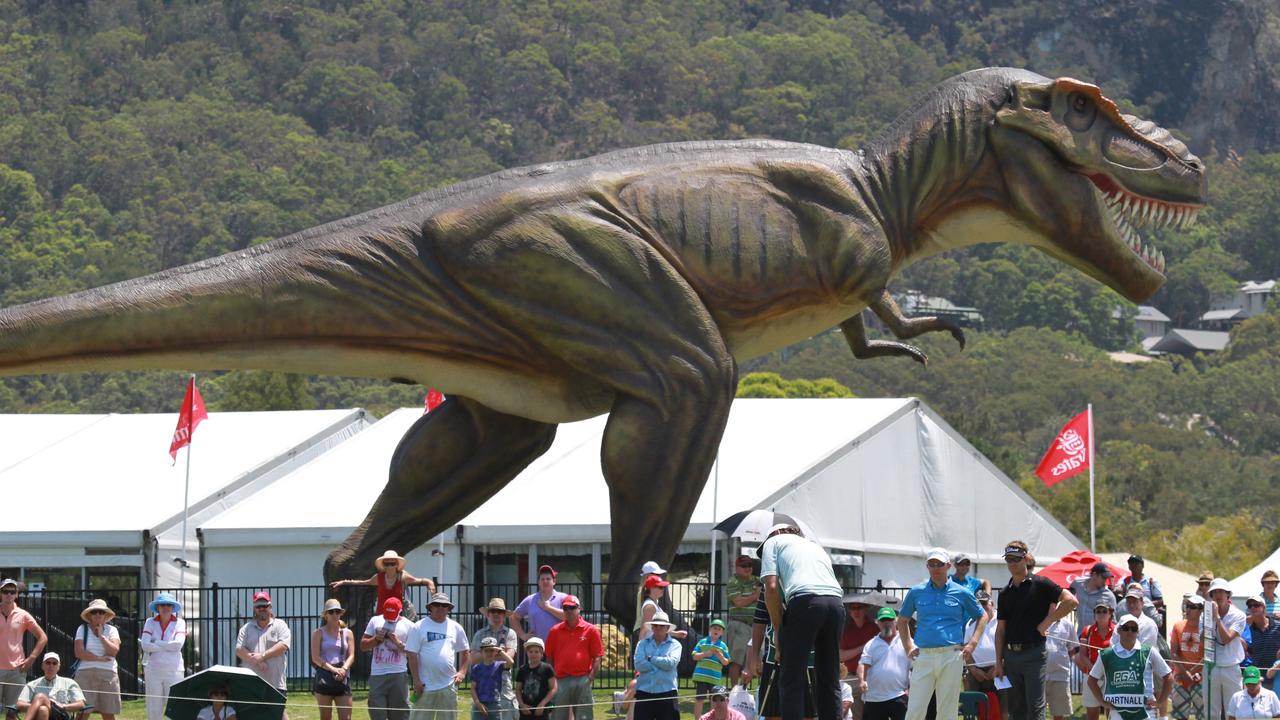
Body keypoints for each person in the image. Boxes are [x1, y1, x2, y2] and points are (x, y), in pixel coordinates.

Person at [760, 523, 845, 720]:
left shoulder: (773, 541)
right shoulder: (815, 546)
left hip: (805, 602)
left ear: (775, 534)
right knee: (829, 678)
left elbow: (771, 588)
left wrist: (779, 630)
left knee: (791, 676)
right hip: (836, 605)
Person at [896, 547, 986, 720]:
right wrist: (908, 646)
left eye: (939, 564)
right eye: (932, 564)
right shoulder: (916, 591)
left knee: (947, 711)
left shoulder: (962, 592)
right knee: (915, 710)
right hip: (924, 655)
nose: (936, 568)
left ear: (948, 566)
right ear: (927, 566)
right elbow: (902, 620)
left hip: (951, 655)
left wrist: (973, 643)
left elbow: (982, 616)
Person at [992, 540, 1078, 720]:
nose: (1012, 563)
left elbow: (1071, 601)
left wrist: (1048, 621)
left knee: (1035, 708)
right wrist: (999, 662)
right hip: (1011, 656)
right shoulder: (1005, 592)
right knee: (1017, 709)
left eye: (1016, 559)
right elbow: (1001, 630)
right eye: (1009, 559)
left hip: (1034, 653)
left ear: (1025, 559)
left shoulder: (1041, 584)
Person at [1087, 614, 1173, 720]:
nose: (1130, 632)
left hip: (1145, 713)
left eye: (1134, 629)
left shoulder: (1149, 651)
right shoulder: (1107, 654)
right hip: (1118, 714)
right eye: (1126, 628)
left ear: (1138, 632)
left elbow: (1169, 676)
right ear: (1119, 630)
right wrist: (1102, 702)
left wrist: (1160, 702)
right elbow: (1091, 680)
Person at [747, 590, 817, 720]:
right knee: (773, 713)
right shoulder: (769, 581)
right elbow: (759, 620)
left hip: (809, 659)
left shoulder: (813, 581)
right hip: (775, 658)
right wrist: (755, 656)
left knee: (807, 713)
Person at [407, 592, 470, 720]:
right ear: (430, 607)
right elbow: (411, 654)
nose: (440, 607)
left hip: (448, 685)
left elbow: (466, 651)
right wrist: (416, 681)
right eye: (437, 604)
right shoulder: (418, 626)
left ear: (448, 608)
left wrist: (462, 672)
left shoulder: (456, 627)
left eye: (444, 605)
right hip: (425, 686)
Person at [544, 595, 603, 720]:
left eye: (572, 607)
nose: (569, 611)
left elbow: (597, 657)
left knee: (584, 717)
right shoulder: (554, 631)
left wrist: (591, 677)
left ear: (579, 609)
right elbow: (549, 657)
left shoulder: (591, 630)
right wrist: (552, 677)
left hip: (582, 678)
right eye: (565, 608)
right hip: (560, 679)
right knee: (558, 717)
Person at [235, 591, 291, 719]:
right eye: (259, 606)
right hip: (252, 684)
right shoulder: (246, 628)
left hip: (276, 682)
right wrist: (258, 660)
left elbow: (283, 646)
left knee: (279, 714)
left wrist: (263, 656)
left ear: (270, 607)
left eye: (265, 606)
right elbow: (239, 650)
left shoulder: (280, 625)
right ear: (254, 608)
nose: (262, 609)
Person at [329, 550, 436, 617]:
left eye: (392, 563)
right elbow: (363, 582)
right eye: (387, 563)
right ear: (383, 565)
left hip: (398, 617)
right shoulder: (378, 578)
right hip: (381, 615)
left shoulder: (403, 575)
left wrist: (430, 583)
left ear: (396, 564)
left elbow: (420, 580)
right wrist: (343, 582)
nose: (390, 566)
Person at [2, 578, 48, 717]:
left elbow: (43, 637)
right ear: (0, 593)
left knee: (12, 713)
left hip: (17, 669)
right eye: (5, 591)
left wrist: (31, 658)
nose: (8, 594)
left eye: (12, 591)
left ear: (16, 594)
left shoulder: (23, 615)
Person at [363, 596, 412, 720]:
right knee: (377, 712)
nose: (389, 618)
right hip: (377, 674)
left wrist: (397, 642)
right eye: (387, 614)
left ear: (400, 611)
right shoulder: (375, 620)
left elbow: (413, 652)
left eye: (393, 614)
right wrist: (376, 639)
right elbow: (363, 646)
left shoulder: (409, 625)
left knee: (399, 714)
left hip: (399, 674)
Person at [72, 599, 121, 720]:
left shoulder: (112, 630)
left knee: (108, 712)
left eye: (101, 612)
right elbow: (79, 653)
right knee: (83, 712)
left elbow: (113, 651)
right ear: (89, 615)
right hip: (85, 673)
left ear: (105, 615)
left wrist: (101, 636)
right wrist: (100, 658)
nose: (98, 614)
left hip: (108, 674)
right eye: (94, 612)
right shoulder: (82, 629)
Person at [140, 592, 186, 720]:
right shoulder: (150, 622)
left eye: (169, 605)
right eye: (162, 605)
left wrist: (156, 642)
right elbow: (145, 645)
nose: (166, 607)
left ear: (172, 607)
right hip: (153, 670)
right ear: (157, 607)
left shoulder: (180, 622)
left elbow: (178, 645)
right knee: (153, 709)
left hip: (174, 670)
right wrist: (167, 646)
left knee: (175, 707)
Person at [1209, 577, 1249, 720]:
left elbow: (1226, 639)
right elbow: (1202, 641)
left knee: (1234, 711)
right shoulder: (1207, 614)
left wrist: (1217, 618)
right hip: (1210, 666)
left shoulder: (1239, 615)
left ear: (1228, 595)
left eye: (1221, 591)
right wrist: (1208, 618)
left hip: (1231, 666)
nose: (1218, 595)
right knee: (1211, 712)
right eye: (1214, 592)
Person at [858, 608, 909, 720]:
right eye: (883, 620)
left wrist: (911, 688)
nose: (886, 623)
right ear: (878, 623)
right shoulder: (871, 644)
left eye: (889, 620)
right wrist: (862, 680)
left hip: (899, 695)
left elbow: (916, 665)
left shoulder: (907, 641)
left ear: (895, 621)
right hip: (873, 698)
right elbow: (863, 664)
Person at [474, 598, 519, 720]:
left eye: (499, 612)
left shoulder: (511, 633)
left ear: (504, 615)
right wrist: (499, 651)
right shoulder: (479, 634)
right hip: (481, 687)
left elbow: (509, 659)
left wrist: (485, 652)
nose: (496, 614)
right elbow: (473, 658)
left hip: (503, 687)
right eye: (493, 611)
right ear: (488, 614)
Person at [311, 598, 355, 720]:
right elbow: (315, 658)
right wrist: (333, 670)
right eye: (331, 612)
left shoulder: (348, 633)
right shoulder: (318, 633)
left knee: (346, 718)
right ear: (326, 615)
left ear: (341, 613)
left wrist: (343, 669)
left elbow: (351, 655)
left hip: (343, 678)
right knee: (325, 718)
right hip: (324, 678)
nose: (335, 614)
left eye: (337, 611)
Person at [633, 610, 682, 720]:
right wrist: (661, 663)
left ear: (667, 629)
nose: (658, 629)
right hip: (644, 692)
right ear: (652, 628)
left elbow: (671, 664)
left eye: (662, 626)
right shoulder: (642, 644)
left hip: (667, 692)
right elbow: (639, 665)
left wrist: (651, 658)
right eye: (656, 626)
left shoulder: (676, 645)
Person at [15, 653, 84, 720]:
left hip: (61, 715)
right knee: (43, 709)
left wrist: (63, 706)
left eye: (54, 663)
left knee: (40, 697)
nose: (51, 666)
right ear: (42, 666)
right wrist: (37, 706)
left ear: (58, 667)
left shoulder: (69, 682)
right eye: (48, 663)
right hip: (38, 715)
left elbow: (81, 704)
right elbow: (19, 704)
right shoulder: (32, 684)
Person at [839, 601, 877, 720]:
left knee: (875, 714)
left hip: (872, 677)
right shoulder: (846, 630)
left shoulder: (875, 628)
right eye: (852, 608)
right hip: (851, 678)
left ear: (866, 610)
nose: (856, 611)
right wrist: (863, 647)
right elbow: (841, 656)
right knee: (856, 717)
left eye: (859, 608)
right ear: (849, 612)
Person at [1077, 603, 1116, 720]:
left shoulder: (1117, 630)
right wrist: (1096, 672)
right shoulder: (1087, 630)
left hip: (1111, 676)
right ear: (1094, 614)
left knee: (1111, 713)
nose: (1101, 614)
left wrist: (1104, 673)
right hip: (1091, 676)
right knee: (1092, 715)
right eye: (1098, 612)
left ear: (1110, 614)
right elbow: (1082, 655)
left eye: (1104, 611)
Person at [1170, 595, 1206, 720]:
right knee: (1179, 716)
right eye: (1187, 606)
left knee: (1202, 716)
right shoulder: (1177, 626)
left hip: (1201, 678)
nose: (1188, 609)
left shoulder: (1207, 630)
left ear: (1202, 610)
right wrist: (1185, 673)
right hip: (1180, 677)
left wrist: (1190, 673)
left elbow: (1207, 655)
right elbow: (1173, 652)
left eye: (1193, 607)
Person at [726, 556, 760, 687]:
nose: (747, 568)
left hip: (757, 626)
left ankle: (753, 691)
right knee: (736, 661)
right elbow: (738, 602)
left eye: (750, 565)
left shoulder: (758, 581)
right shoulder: (733, 582)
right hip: (739, 625)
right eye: (744, 566)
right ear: (737, 568)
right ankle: (734, 691)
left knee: (757, 661)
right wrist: (755, 596)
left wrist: (751, 597)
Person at [513, 566, 567, 643]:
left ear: (554, 581)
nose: (545, 581)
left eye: (548, 579)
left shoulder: (563, 598)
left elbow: (571, 617)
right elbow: (513, 618)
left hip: (558, 647)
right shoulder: (530, 600)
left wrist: (548, 608)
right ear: (539, 582)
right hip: (536, 649)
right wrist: (523, 635)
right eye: (542, 579)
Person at [963, 589, 1000, 699]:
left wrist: (999, 665)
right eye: (978, 604)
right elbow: (967, 651)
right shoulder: (970, 624)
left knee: (1004, 708)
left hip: (1000, 669)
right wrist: (974, 670)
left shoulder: (1002, 621)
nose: (981, 607)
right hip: (977, 671)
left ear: (992, 604)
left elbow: (1008, 648)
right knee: (973, 705)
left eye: (984, 603)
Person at [692, 619, 731, 719]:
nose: (716, 630)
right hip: (701, 677)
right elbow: (694, 656)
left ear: (722, 632)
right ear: (710, 629)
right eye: (714, 628)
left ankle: (712, 718)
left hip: (714, 678)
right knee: (699, 699)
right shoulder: (702, 642)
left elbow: (726, 662)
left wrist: (720, 656)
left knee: (713, 700)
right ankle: (698, 718)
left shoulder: (723, 646)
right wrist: (705, 654)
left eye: (719, 629)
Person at [472, 637, 515, 720]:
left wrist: (500, 651)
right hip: (479, 703)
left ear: (496, 652)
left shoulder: (499, 665)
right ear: (481, 652)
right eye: (486, 650)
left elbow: (511, 662)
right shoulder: (476, 668)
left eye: (491, 650)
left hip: (494, 704)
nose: (489, 653)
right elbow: (473, 688)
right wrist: (477, 703)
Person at [1244, 596, 1280, 691]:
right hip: (1258, 679)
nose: (1252, 608)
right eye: (1250, 606)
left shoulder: (1278, 626)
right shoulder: (1248, 631)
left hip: (1277, 677)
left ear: (1263, 607)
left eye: (1256, 605)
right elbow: (1248, 652)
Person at [515, 637, 557, 718]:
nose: (533, 654)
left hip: (542, 710)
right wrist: (521, 705)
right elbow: (518, 689)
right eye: (530, 652)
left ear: (542, 654)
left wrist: (543, 704)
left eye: (536, 652)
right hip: (525, 710)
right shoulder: (522, 669)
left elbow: (553, 688)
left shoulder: (547, 668)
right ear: (527, 653)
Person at [637, 576, 686, 642]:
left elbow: (659, 629)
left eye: (663, 587)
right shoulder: (650, 606)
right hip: (651, 647)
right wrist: (640, 650)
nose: (663, 589)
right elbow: (643, 630)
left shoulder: (654, 603)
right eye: (660, 587)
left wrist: (675, 634)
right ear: (652, 588)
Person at [1045, 615, 1076, 720]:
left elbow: (1072, 649)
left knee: (1059, 713)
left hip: (1060, 675)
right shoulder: (1036, 621)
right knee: (1036, 712)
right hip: (1038, 675)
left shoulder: (1068, 624)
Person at [1072, 563, 1119, 628]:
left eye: (1106, 578)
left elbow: (1113, 621)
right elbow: (1068, 594)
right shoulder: (1078, 583)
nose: (1105, 581)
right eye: (1103, 577)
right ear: (1094, 575)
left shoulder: (1109, 596)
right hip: (1081, 634)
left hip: (1098, 636)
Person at [1122, 556, 1165, 620]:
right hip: (1131, 617)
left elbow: (1160, 602)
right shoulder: (1126, 582)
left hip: (1149, 617)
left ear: (1142, 566)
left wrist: (1142, 605)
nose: (1134, 565)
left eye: (1136, 563)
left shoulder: (1151, 581)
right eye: (1131, 563)